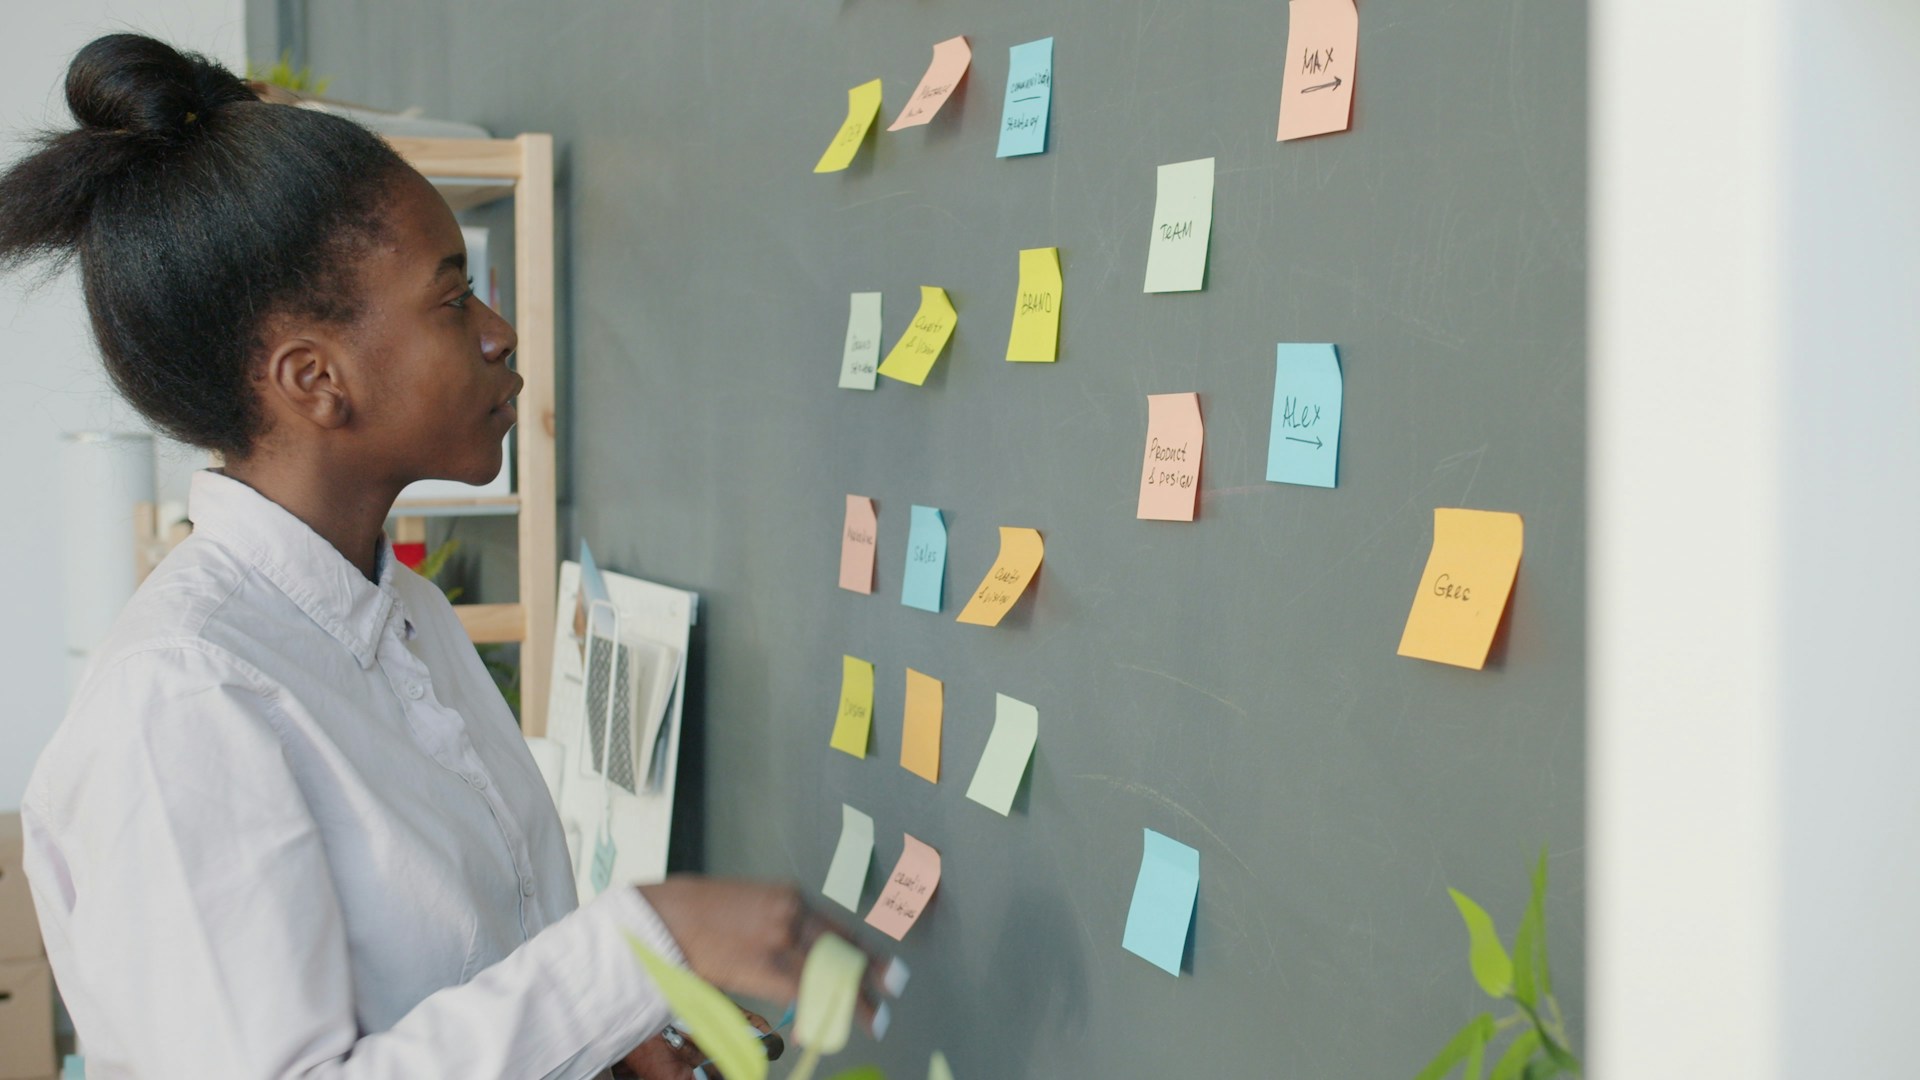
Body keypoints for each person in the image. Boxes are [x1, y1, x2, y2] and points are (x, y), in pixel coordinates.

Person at [2, 33, 891, 1079]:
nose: (500, 333)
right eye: (451, 297)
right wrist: (646, 941)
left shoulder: (405, 616)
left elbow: (459, 992)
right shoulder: (182, 702)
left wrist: (604, 1045)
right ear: (314, 378)